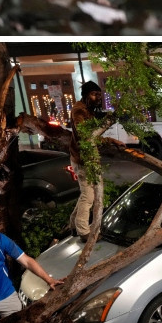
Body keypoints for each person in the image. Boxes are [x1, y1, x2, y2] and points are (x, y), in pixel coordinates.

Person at [69, 80, 106, 235]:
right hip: (83, 159)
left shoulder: (88, 109)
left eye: (99, 94)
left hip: (87, 157)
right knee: (89, 196)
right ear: (85, 95)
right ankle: (83, 231)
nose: (97, 97)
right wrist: (109, 140)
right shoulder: (79, 111)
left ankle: (73, 224)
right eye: (93, 94)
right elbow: (86, 135)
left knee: (86, 193)